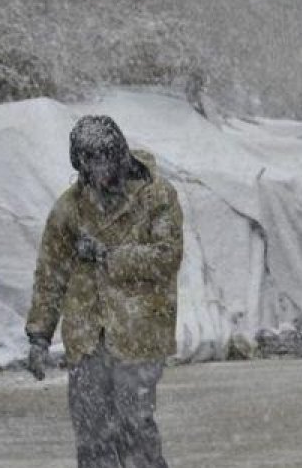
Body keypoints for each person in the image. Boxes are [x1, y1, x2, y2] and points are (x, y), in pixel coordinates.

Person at [25, 115, 184, 468]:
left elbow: (166, 257)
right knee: (92, 435)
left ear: (120, 155)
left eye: (104, 160)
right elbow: (50, 273)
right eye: (89, 163)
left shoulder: (156, 196)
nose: (98, 171)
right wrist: (39, 335)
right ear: (79, 163)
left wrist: (109, 256)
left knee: (134, 428)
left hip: (139, 332)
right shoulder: (69, 208)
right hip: (86, 338)